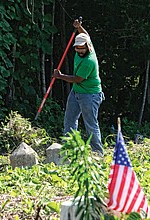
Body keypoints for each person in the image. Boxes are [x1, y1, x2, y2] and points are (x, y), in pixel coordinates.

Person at [53, 19, 104, 156]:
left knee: (90, 124)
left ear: (87, 46)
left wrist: (60, 76)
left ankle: (97, 152)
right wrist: (79, 27)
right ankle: (70, 149)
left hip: (90, 95)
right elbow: (86, 34)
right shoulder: (84, 46)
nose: (80, 50)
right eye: (77, 48)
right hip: (76, 92)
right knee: (69, 120)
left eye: (82, 48)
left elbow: (77, 79)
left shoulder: (89, 61)